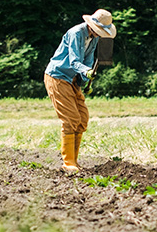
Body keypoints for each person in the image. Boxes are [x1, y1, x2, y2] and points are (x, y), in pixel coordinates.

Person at [44, 9, 116, 173]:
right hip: (58, 76)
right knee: (71, 119)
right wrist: (86, 71)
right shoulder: (77, 33)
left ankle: (75, 162)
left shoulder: (94, 38)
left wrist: (85, 80)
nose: (100, 35)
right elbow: (74, 60)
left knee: (82, 118)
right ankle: (68, 163)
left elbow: (89, 58)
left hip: (73, 80)